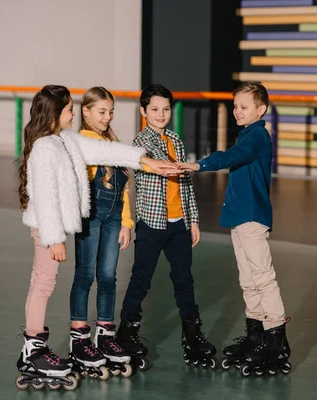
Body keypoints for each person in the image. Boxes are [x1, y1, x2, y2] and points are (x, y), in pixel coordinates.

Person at [15, 85, 179, 387]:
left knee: (43, 282)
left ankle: (34, 348)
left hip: (54, 228)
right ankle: (32, 351)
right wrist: (55, 239)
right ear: (54, 114)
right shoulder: (44, 148)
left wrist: (147, 161)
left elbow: (107, 150)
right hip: (46, 228)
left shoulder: (64, 140)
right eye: (68, 110)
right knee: (43, 284)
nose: (72, 114)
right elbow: (45, 196)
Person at [178, 81, 291, 377]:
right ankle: (256, 334)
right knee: (247, 279)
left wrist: (200, 165)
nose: (236, 111)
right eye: (235, 106)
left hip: (253, 217)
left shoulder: (256, 137)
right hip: (241, 218)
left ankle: (276, 339)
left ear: (261, 109)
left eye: (243, 107)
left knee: (263, 277)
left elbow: (233, 157)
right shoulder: (248, 134)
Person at [116, 84, 217, 370]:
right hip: (152, 224)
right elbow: (142, 164)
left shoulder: (176, 140)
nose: (161, 114)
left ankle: (192, 333)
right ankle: (127, 330)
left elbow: (186, 184)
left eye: (166, 109)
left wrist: (193, 218)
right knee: (141, 279)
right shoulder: (141, 142)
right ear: (143, 111)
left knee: (184, 280)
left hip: (179, 225)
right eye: (155, 109)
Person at [68, 87, 135, 378]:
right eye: (101, 112)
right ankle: (79, 337)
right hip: (90, 218)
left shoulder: (112, 142)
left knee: (108, 277)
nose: (107, 117)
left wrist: (127, 223)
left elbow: (125, 188)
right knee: (85, 275)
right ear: (86, 112)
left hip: (112, 220)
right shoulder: (83, 140)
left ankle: (105, 335)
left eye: (110, 112)